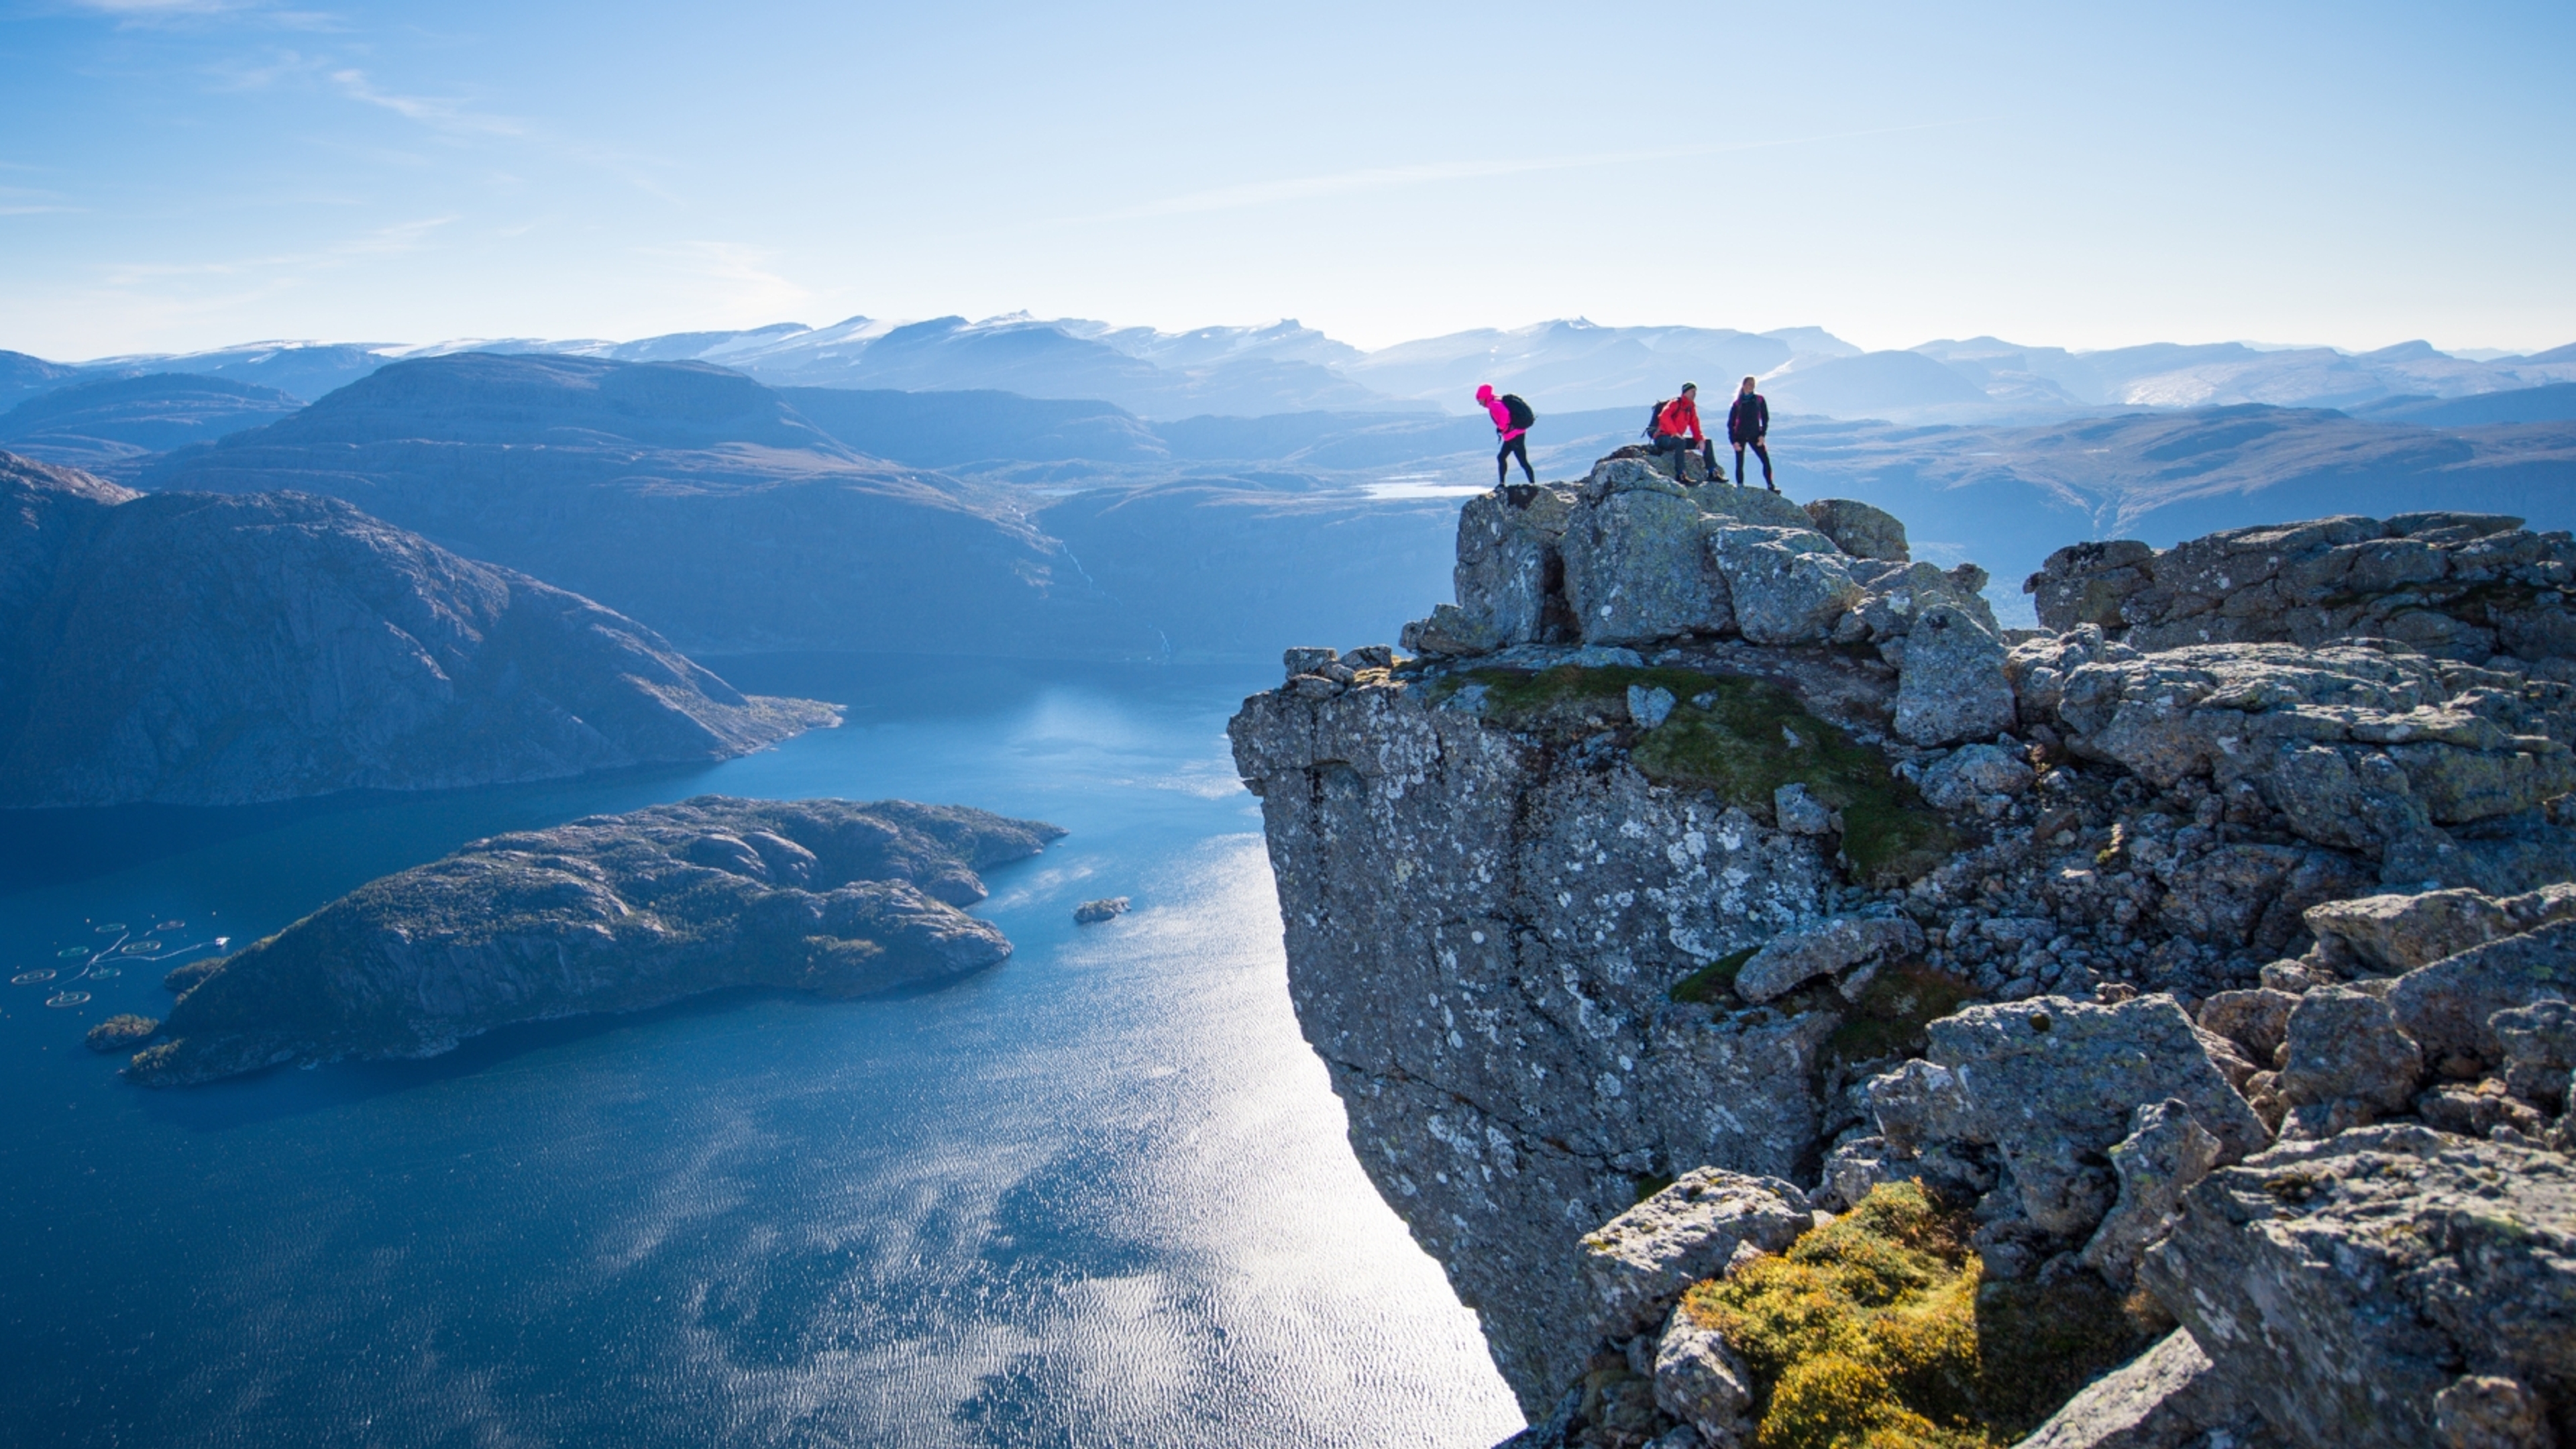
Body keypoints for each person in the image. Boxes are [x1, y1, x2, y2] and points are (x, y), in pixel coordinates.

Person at [1651, 383, 1720, 482]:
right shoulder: (1675, 403)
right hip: (1662, 438)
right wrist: (1674, 432)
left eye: (1695, 392)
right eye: (1692, 391)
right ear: (1685, 392)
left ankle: (1712, 472)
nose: (1694, 394)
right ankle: (1681, 475)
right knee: (1680, 442)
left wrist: (1700, 440)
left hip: (1676, 439)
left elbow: (1695, 425)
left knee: (1707, 442)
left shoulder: (1690, 407)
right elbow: (1663, 416)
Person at [1477, 384, 1536, 486]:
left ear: (1484, 397)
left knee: (1522, 460)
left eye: (1480, 400)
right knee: (1502, 457)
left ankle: (1533, 485)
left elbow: (1505, 413)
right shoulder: (1498, 399)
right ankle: (1502, 483)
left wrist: (1501, 427)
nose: (1480, 403)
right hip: (1513, 434)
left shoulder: (1493, 404)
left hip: (1514, 435)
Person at [1728, 375, 1775, 492]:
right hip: (1740, 436)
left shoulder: (1759, 400)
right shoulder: (1737, 404)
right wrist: (1733, 441)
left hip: (1755, 436)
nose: (1751, 386)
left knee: (1766, 461)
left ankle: (1771, 486)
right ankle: (1740, 486)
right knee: (1740, 463)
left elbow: (1765, 418)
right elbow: (1730, 424)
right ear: (1743, 385)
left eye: (1753, 384)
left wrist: (1762, 435)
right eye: (1749, 384)